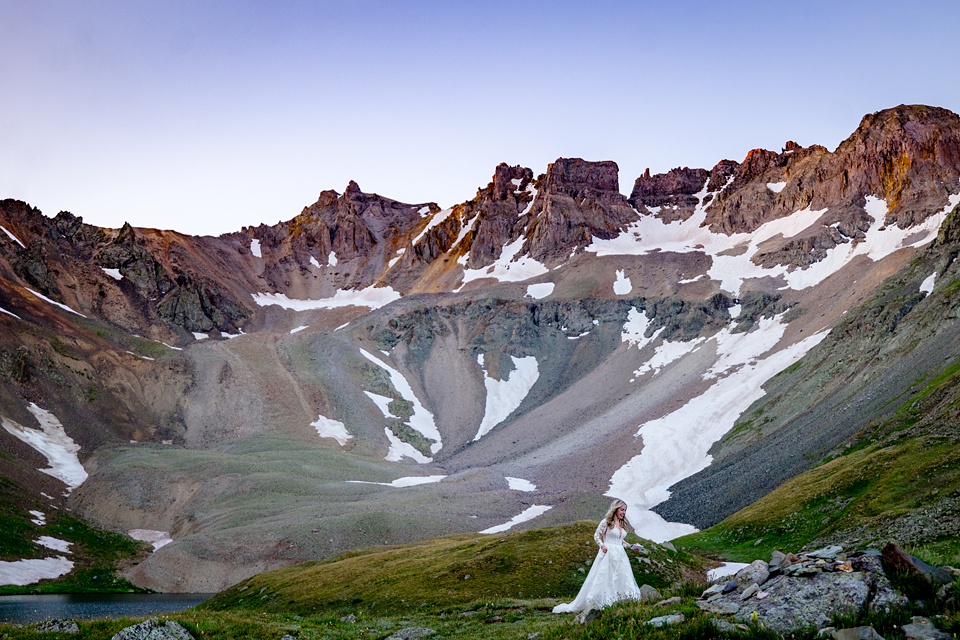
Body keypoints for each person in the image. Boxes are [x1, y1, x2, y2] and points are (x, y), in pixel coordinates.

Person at [552, 498, 644, 614]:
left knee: (622, 577)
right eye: (622, 510)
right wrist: (602, 546)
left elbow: (620, 540)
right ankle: (601, 602)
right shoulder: (606, 522)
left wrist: (631, 547)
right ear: (615, 509)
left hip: (620, 555)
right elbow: (596, 536)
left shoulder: (622, 523)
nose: (624, 513)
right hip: (608, 553)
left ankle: (621, 600)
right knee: (606, 578)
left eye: (625, 510)